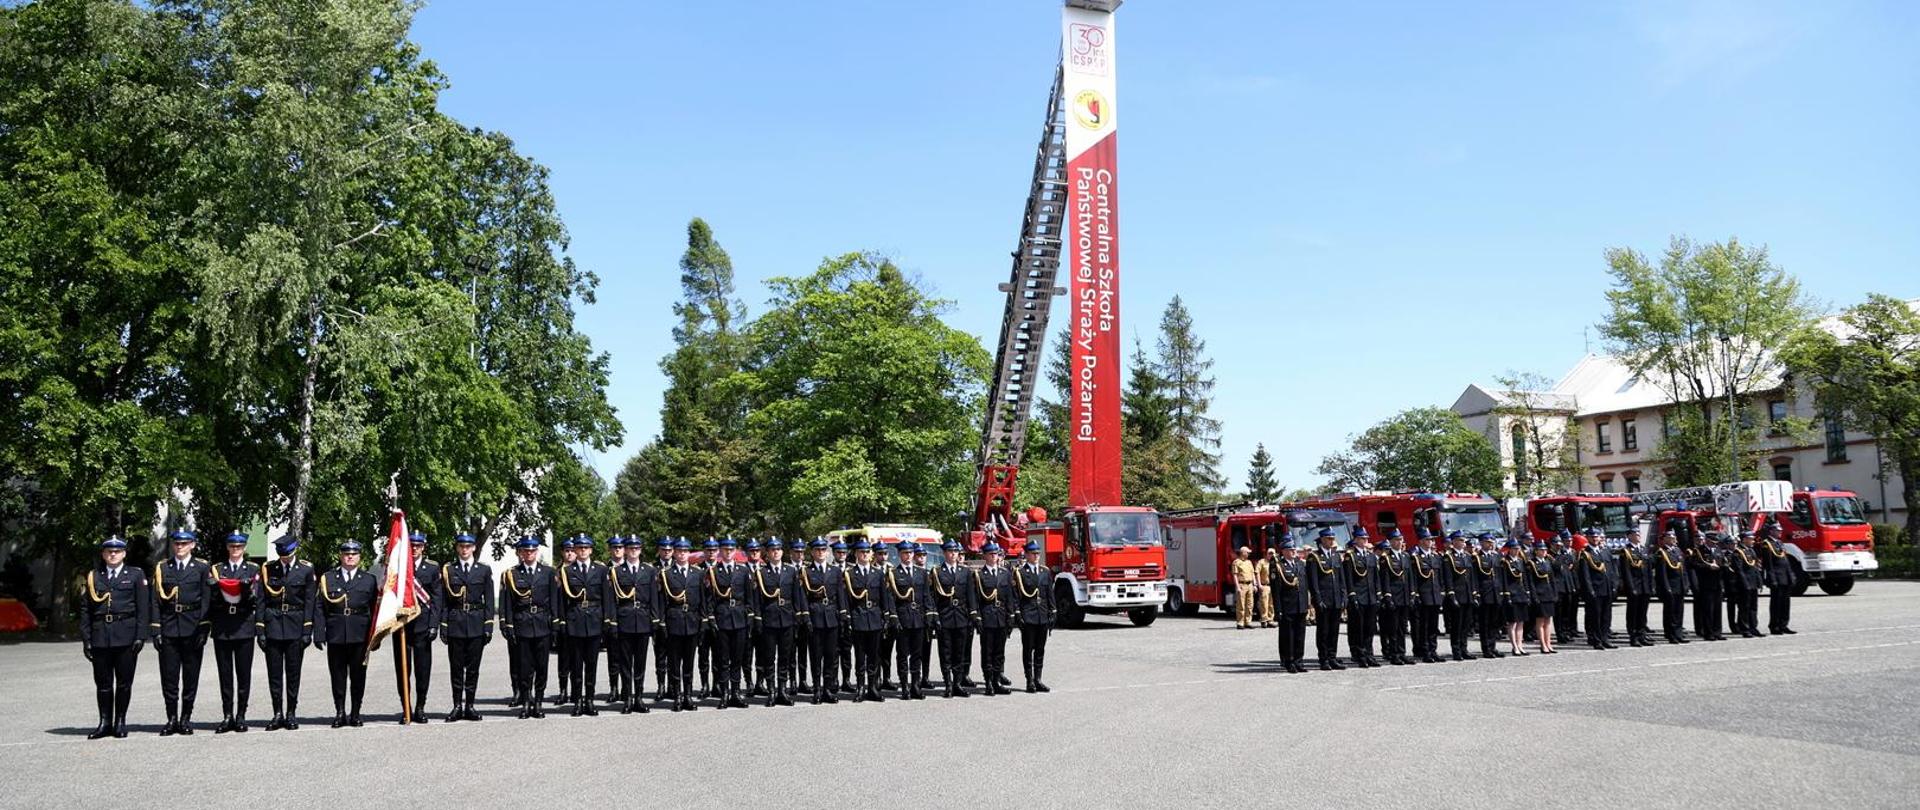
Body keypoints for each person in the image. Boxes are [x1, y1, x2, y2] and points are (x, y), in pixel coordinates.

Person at [79, 536, 150, 739]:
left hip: (126, 635)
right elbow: (86, 610)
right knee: (102, 683)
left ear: (124, 554)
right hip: (101, 635)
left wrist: (140, 636)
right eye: (109, 551)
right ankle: (104, 722)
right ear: (103, 554)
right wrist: (87, 639)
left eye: (117, 551)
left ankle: (120, 721)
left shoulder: (135, 575)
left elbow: (142, 608)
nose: (113, 554)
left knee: (124, 682)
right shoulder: (94, 576)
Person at [151, 529, 212, 735]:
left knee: (190, 676)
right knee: (169, 677)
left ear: (192, 545)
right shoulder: (163, 567)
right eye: (177, 544)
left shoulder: (202, 567)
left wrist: (204, 626)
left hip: (192, 626)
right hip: (169, 627)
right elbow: (156, 600)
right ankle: (171, 718)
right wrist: (156, 629)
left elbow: (206, 598)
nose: (180, 547)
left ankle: (186, 718)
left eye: (184, 544)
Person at [257, 535, 315, 730]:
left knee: (293, 673)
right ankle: (277, 713)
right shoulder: (268, 569)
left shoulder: (306, 569)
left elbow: (309, 601)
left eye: (287, 555)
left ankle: (291, 712)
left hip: (295, 626)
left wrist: (307, 629)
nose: (285, 559)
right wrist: (260, 629)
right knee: (274, 674)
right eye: (282, 555)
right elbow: (261, 600)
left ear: (294, 551)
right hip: (273, 626)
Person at [208, 531, 261, 732]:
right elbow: (211, 600)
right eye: (232, 547)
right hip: (222, 626)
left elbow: (256, 598)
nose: (235, 550)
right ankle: (227, 715)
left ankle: (241, 715)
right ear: (227, 548)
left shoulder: (253, 569)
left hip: (243, 625)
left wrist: (247, 591)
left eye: (239, 547)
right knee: (225, 674)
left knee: (243, 674)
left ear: (244, 548)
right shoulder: (217, 569)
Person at [500, 535, 558, 718]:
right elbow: (508, 602)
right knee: (524, 667)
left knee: (541, 666)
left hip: (542, 623)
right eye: (526, 550)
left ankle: (539, 702)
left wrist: (555, 622)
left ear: (536, 552)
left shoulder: (548, 572)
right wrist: (507, 624)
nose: (529, 553)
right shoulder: (513, 573)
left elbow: (553, 600)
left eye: (532, 550)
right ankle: (526, 701)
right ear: (521, 553)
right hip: (522, 623)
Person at [439, 532, 494, 721]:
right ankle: (457, 706)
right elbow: (445, 601)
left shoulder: (483, 570)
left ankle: (470, 705)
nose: (464, 549)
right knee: (455, 668)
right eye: (461, 546)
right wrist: (444, 624)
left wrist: (488, 625)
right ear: (457, 548)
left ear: (474, 548)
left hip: (477, 624)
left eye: (468, 546)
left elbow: (488, 599)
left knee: (473, 668)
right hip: (456, 623)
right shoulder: (450, 570)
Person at [752, 536, 802, 706]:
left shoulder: (790, 571)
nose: (776, 552)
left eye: (779, 549)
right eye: (773, 549)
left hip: (787, 618)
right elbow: (757, 599)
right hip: (769, 618)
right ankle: (771, 690)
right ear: (767, 552)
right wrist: (758, 618)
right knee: (769, 657)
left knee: (785, 656)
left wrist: (798, 616)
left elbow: (796, 596)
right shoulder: (761, 573)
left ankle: (782, 689)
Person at [394, 531, 438, 723]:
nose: (415, 549)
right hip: (402, 626)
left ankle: (420, 706)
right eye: (412, 546)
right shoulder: (398, 569)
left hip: (422, 626)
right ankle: (406, 707)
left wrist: (434, 625)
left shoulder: (432, 569)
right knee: (402, 670)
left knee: (422, 670)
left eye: (418, 546)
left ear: (423, 547)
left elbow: (436, 599)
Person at [704, 537, 753, 708]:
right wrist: (711, 618)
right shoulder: (713, 572)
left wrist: (749, 615)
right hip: (722, 618)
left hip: (739, 618)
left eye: (731, 549)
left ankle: (736, 692)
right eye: (725, 549)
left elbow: (748, 597)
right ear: (720, 551)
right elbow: (709, 599)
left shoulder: (743, 571)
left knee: (738, 659)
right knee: (723, 659)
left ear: (735, 551)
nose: (728, 552)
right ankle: (724, 693)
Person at [799, 537, 847, 704]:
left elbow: (840, 593)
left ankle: (828, 688)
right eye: (818, 550)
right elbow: (803, 596)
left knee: (830, 655)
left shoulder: (835, 571)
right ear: (812, 552)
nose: (821, 553)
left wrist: (843, 614)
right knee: (815, 655)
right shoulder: (807, 571)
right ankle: (817, 689)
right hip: (815, 614)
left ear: (827, 552)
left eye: (823, 550)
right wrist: (806, 616)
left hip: (832, 616)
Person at [931, 539, 978, 696]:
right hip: (945, 617)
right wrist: (935, 616)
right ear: (944, 553)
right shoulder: (937, 572)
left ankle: (957, 683)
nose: (953, 554)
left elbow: (970, 594)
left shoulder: (965, 572)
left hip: (961, 616)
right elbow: (933, 597)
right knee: (946, 652)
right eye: (950, 551)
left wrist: (973, 614)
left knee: (960, 651)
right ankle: (948, 684)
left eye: (956, 552)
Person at [888, 541, 934, 700]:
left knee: (917, 654)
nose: (908, 556)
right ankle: (904, 686)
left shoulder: (921, 573)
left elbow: (927, 596)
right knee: (902, 654)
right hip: (903, 618)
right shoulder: (893, 573)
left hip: (919, 618)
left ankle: (915, 685)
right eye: (905, 553)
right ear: (900, 555)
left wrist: (929, 614)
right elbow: (891, 598)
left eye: (910, 553)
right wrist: (893, 617)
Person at [1011, 540, 1056, 693]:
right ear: (1027, 554)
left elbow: (1049, 593)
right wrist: (1017, 613)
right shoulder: (1021, 573)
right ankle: (1029, 680)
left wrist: (1053, 611)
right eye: (1033, 553)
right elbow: (1016, 596)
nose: (1037, 556)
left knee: (1040, 649)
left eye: (1038, 553)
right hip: (1028, 615)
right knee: (1028, 649)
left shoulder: (1045, 572)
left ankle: (1038, 679)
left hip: (1042, 615)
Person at [973, 543, 1015, 695]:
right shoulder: (979, 575)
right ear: (984, 556)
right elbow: (976, 598)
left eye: (996, 554)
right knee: (987, 652)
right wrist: (977, 616)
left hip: (1001, 617)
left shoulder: (1005, 573)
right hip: (987, 617)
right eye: (990, 554)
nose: (993, 556)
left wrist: (1011, 615)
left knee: (999, 652)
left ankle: (997, 680)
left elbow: (1010, 596)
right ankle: (988, 682)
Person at [1306, 528, 1347, 671]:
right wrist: (1317, 599)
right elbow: (1314, 581)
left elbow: (1341, 578)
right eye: (1329, 538)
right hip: (1324, 599)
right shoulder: (1314, 557)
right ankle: (1323, 659)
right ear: (1322, 539)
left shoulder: (1336, 556)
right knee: (1323, 631)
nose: (1331, 541)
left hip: (1336, 599)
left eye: (1332, 538)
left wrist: (1343, 596)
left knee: (1334, 630)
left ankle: (1332, 656)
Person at [1342, 529, 1382, 668]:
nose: (1365, 540)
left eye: (1366, 538)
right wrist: (1352, 594)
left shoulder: (1371, 556)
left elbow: (1375, 577)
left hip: (1370, 597)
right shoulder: (1350, 556)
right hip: (1359, 596)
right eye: (1362, 538)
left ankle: (1369, 653)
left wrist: (1378, 593)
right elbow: (1348, 578)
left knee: (1370, 627)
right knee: (1357, 627)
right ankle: (1359, 654)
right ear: (1356, 540)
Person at [1271, 539, 1311, 673]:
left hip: (1300, 605)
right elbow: (1276, 591)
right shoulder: (1279, 566)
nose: (1294, 551)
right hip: (1287, 606)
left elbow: (1304, 586)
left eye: (1294, 549)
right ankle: (1289, 661)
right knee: (1288, 636)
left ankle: (1299, 661)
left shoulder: (1299, 564)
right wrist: (1278, 610)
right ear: (1284, 551)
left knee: (1300, 635)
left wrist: (1306, 604)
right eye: (1290, 549)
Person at [1376, 529, 1413, 665]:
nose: (1399, 542)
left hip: (1404, 597)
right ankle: (1394, 653)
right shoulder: (1386, 558)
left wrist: (1412, 593)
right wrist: (1387, 596)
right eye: (1396, 540)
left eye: (1400, 539)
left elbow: (1410, 578)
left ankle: (1402, 652)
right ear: (1391, 542)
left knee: (1402, 627)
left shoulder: (1405, 557)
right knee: (1393, 627)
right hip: (1393, 596)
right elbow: (1385, 579)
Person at [1577, 528, 1617, 650]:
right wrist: (1590, 591)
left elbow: (1611, 570)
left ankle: (1605, 638)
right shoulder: (1585, 554)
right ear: (1587, 538)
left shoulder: (1604, 552)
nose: (1595, 539)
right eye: (1592, 537)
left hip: (1606, 588)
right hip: (1595, 589)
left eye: (1597, 536)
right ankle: (1597, 640)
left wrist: (1614, 585)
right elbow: (1585, 575)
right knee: (1595, 616)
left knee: (1606, 616)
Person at [1441, 532, 1478, 661]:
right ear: (1454, 541)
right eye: (1461, 540)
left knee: (1466, 625)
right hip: (1457, 595)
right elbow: (1448, 578)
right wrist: (1451, 595)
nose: (1463, 543)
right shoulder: (1449, 557)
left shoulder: (1467, 556)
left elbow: (1471, 577)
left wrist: (1474, 593)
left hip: (1467, 595)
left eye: (1464, 541)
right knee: (1457, 625)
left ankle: (1464, 648)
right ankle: (1456, 649)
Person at [1411, 530, 1445, 663]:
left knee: (1433, 625)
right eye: (1428, 539)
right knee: (1423, 626)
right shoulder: (1416, 557)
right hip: (1424, 595)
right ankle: (1425, 651)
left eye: (1431, 540)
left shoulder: (1435, 557)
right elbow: (1413, 578)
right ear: (1421, 541)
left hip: (1435, 595)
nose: (1431, 542)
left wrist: (1441, 592)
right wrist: (1415, 594)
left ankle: (1433, 650)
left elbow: (1439, 577)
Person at [1652, 531, 1691, 644]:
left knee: (1679, 611)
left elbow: (1683, 570)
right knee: (1670, 612)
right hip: (1670, 586)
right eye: (1670, 537)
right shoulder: (1662, 552)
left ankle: (1678, 633)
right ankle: (1671, 634)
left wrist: (1686, 583)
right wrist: (1666, 587)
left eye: (1674, 537)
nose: (1673, 539)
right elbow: (1662, 573)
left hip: (1680, 585)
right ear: (1664, 539)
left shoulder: (1677, 550)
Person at [1617, 530, 1654, 646]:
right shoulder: (1626, 551)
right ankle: (1633, 636)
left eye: (1639, 534)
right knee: (1633, 613)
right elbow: (1626, 572)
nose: (1638, 536)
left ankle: (1642, 634)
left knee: (1643, 613)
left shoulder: (1643, 550)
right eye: (1635, 534)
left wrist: (1650, 585)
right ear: (1629, 536)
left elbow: (1648, 570)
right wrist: (1631, 587)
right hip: (1635, 586)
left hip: (1644, 586)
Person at [1496, 538, 1532, 656]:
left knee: (1521, 622)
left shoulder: (1520, 561)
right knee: (1512, 622)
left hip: (1521, 593)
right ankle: (1514, 646)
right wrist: (1507, 595)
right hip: (1512, 594)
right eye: (1514, 549)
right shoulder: (1505, 562)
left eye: (1517, 549)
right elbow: (1504, 580)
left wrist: (1527, 592)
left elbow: (1524, 578)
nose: (1516, 551)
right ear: (1509, 549)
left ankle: (1520, 645)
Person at [1688, 533, 1727, 641]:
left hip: (1717, 583)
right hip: (1706, 583)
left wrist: (1720, 567)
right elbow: (1694, 564)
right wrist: (1708, 566)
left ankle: (1717, 632)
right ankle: (1708, 633)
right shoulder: (1699, 551)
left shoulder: (1718, 550)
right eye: (1713, 542)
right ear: (1708, 540)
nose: (1715, 544)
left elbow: (1724, 563)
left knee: (1717, 609)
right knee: (1708, 609)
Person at [1758, 525, 1797, 634]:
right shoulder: (1767, 544)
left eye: (1780, 530)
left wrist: (1791, 575)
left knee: (1785, 603)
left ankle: (1783, 625)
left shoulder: (1779, 543)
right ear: (1771, 531)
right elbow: (1768, 564)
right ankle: (1774, 626)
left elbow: (1786, 562)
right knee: (1776, 603)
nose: (1780, 532)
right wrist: (1772, 579)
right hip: (1777, 577)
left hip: (1785, 577)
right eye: (1777, 530)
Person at [1727, 533, 1765, 638]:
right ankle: (1745, 628)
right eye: (1750, 539)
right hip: (1744, 584)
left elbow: (1755, 568)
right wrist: (1745, 584)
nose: (1753, 541)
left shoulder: (1751, 550)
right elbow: (1739, 570)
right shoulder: (1738, 552)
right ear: (1744, 540)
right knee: (1744, 607)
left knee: (1753, 607)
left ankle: (1753, 627)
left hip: (1753, 583)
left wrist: (1759, 581)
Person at [1474, 534, 1505, 658]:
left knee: (1494, 622)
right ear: (1481, 543)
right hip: (1485, 593)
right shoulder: (1477, 558)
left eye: (1491, 542)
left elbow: (1500, 575)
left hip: (1496, 592)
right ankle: (1486, 648)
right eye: (1487, 542)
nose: (1490, 544)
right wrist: (1476, 593)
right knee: (1485, 623)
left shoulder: (1496, 556)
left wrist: (1502, 591)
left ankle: (1493, 646)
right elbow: (1475, 578)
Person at [1527, 541, 1559, 654]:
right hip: (1540, 595)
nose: (1544, 552)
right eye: (1541, 550)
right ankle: (1543, 645)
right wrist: (1534, 596)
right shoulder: (1532, 563)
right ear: (1536, 551)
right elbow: (1531, 583)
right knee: (1540, 622)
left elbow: (1552, 580)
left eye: (1545, 550)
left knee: (1548, 621)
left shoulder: (1547, 562)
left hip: (1548, 594)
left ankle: (1549, 643)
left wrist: (1555, 593)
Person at [1230, 546, 1257, 629]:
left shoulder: (1249, 562)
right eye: (1247, 552)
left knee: (1250, 604)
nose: (1248, 554)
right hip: (1242, 585)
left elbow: (1252, 574)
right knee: (1241, 604)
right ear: (1243, 553)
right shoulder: (1236, 562)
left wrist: (1254, 584)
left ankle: (1248, 622)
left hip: (1249, 585)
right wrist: (1237, 586)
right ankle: (1240, 622)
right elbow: (1235, 575)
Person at [1256, 547, 1278, 629]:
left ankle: (1270, 620)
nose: (1271, 555)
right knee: (1264, 604)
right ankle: (1264, 620)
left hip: (1273, 586)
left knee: (1271, 604)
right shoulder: (1262, 562)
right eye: (1270, 553)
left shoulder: (1276, 563)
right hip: (1265, 585)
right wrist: (1259, 585)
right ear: (1266, 554)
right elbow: (1257, 573)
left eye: (1273, 553)